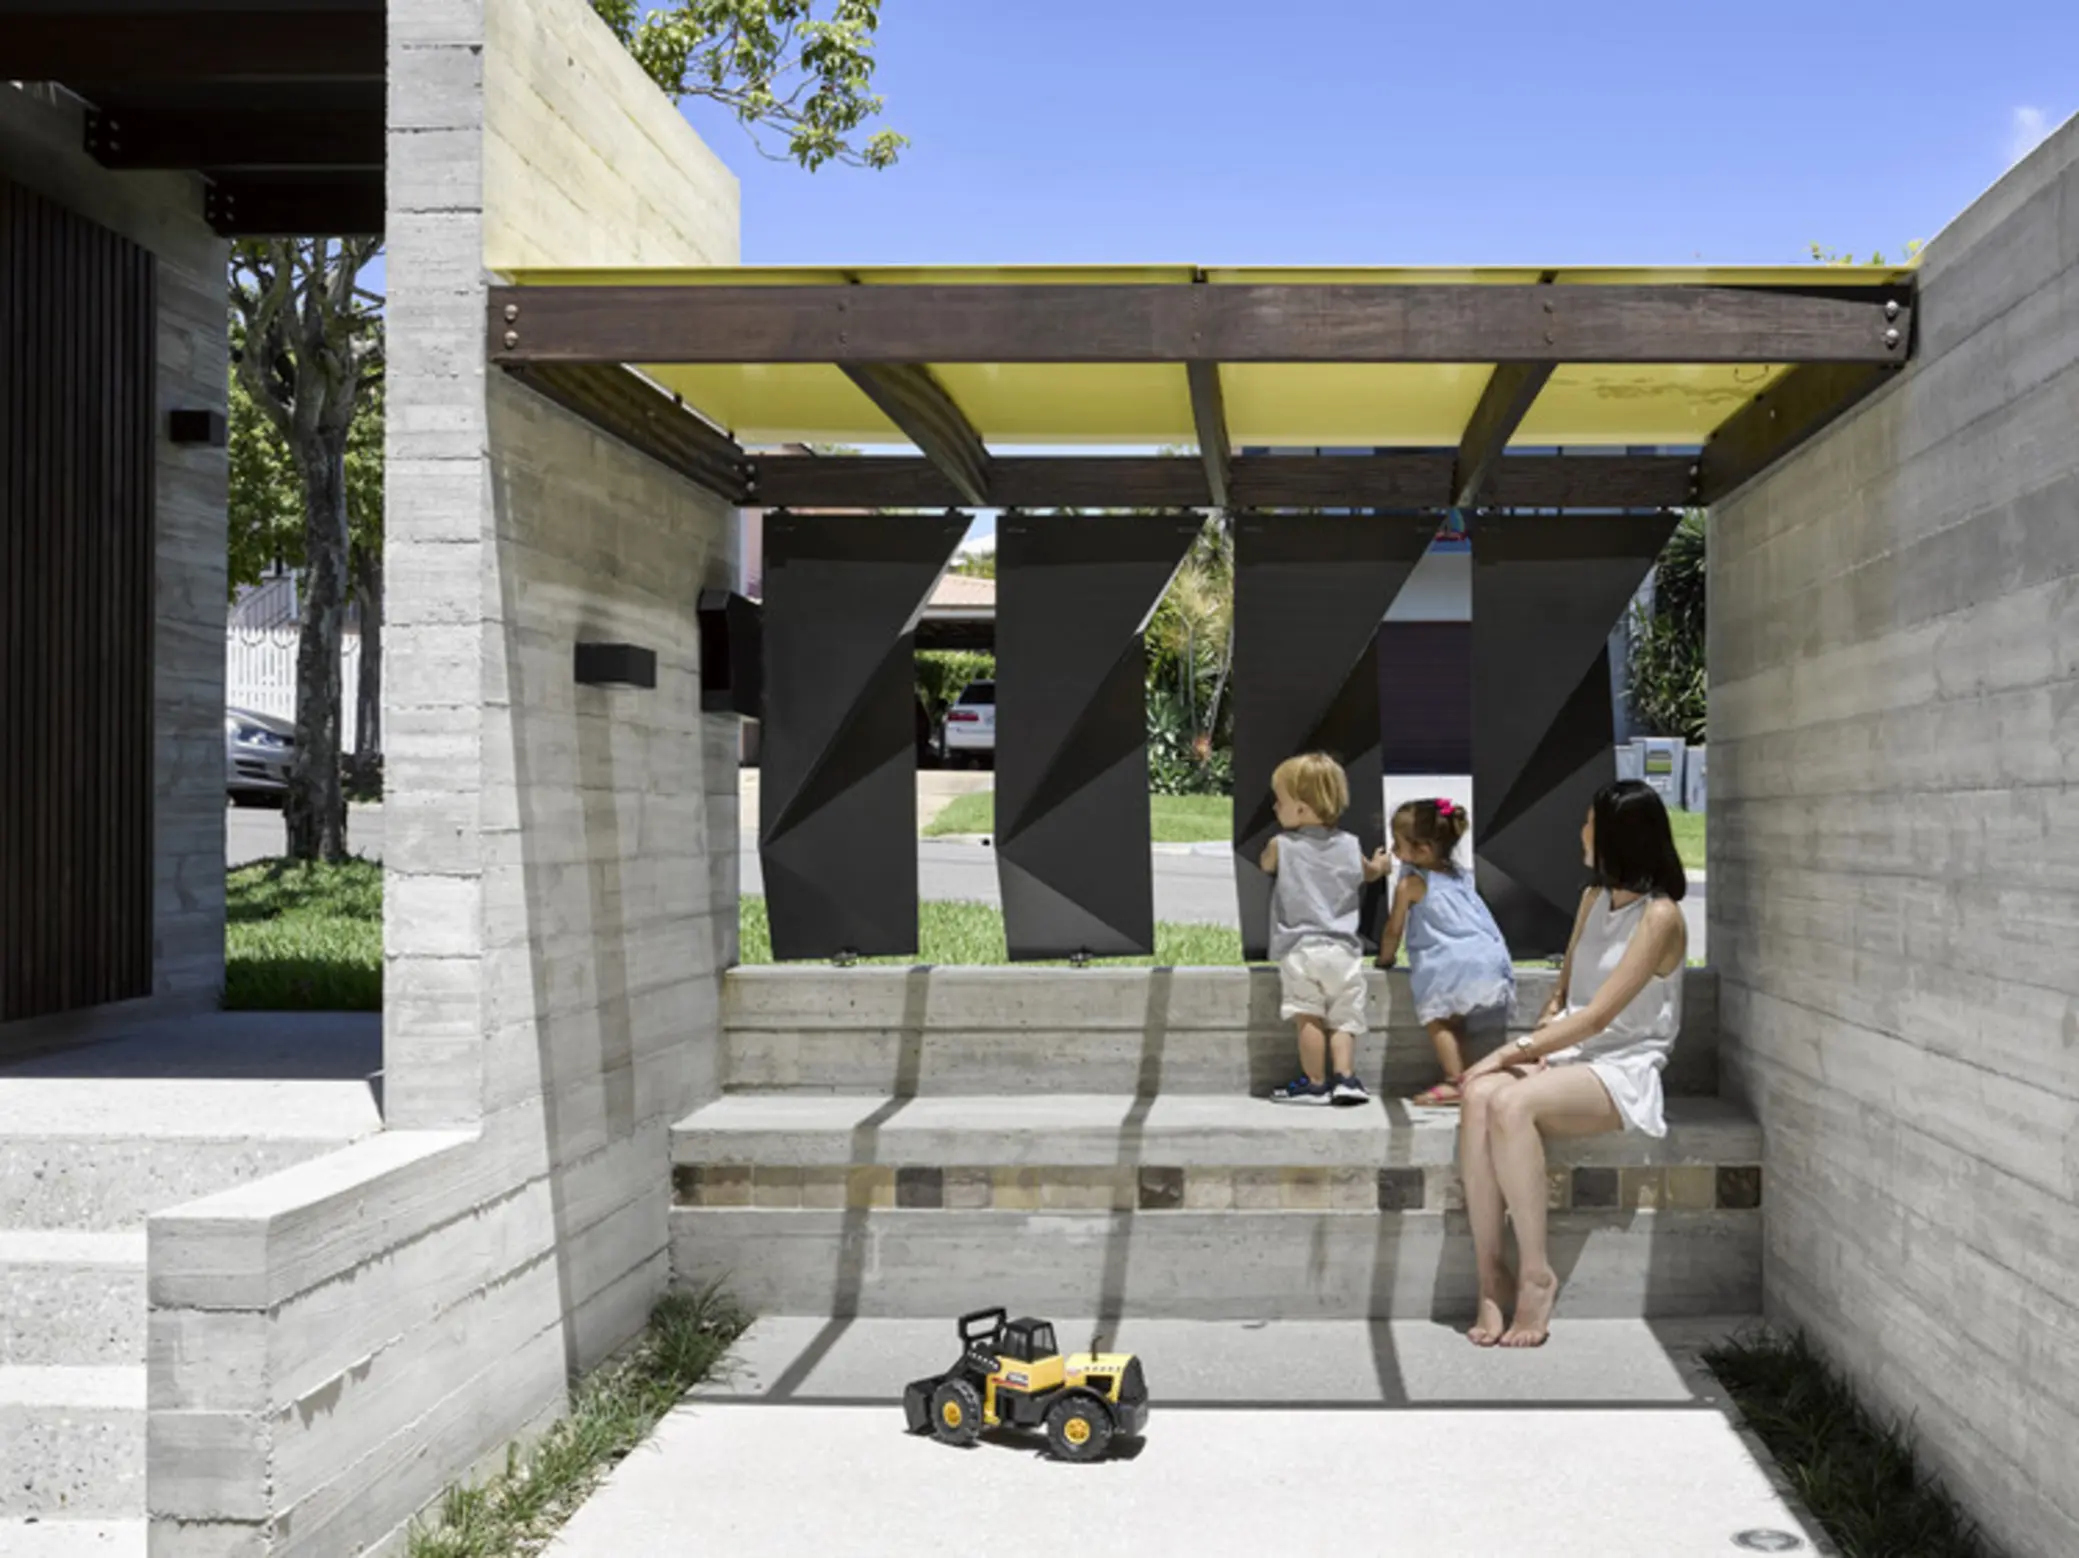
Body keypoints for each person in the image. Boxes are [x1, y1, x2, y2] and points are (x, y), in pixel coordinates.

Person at [1455, 779, 1688, 1348]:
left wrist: (1510, 1054)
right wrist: (1543, 1040)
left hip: (1622, 1066)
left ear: (1619, 837)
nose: (1581, 832)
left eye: (1590, 823)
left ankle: (1535, 1274)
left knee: (1507, 1099)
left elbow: (1599, 1018)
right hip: (1568, 1053)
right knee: (1477, 1098)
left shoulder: (1661, 918)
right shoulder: (1592, 899)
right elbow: (1564, 997)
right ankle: (1491, 1276)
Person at [1259, 753, 1391, 1106]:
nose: (1275, 807)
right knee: (1345, 1019)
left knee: (1309, 1017)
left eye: (1281, 801)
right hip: (1345, 951)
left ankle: (1315, 1082)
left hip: (1301, 950)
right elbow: (1369, 872)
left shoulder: (1281, 846)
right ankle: (1347, 1079)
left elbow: (1265, 864)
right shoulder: (1350, 845)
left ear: (1301, 810)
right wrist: (1379, 865)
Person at [1377, 798, 1515, 1107]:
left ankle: (1455, 1082)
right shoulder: (1460, 875)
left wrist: (1384, 959)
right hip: (1489, 957)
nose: (1395, 851)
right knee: (1455, 1020)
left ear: (1422, 850)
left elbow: (1393, 929)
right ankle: (1469, 1076)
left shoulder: (1412, 884)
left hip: (1451, 964)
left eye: (1398, 845)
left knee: (1437, 1020)